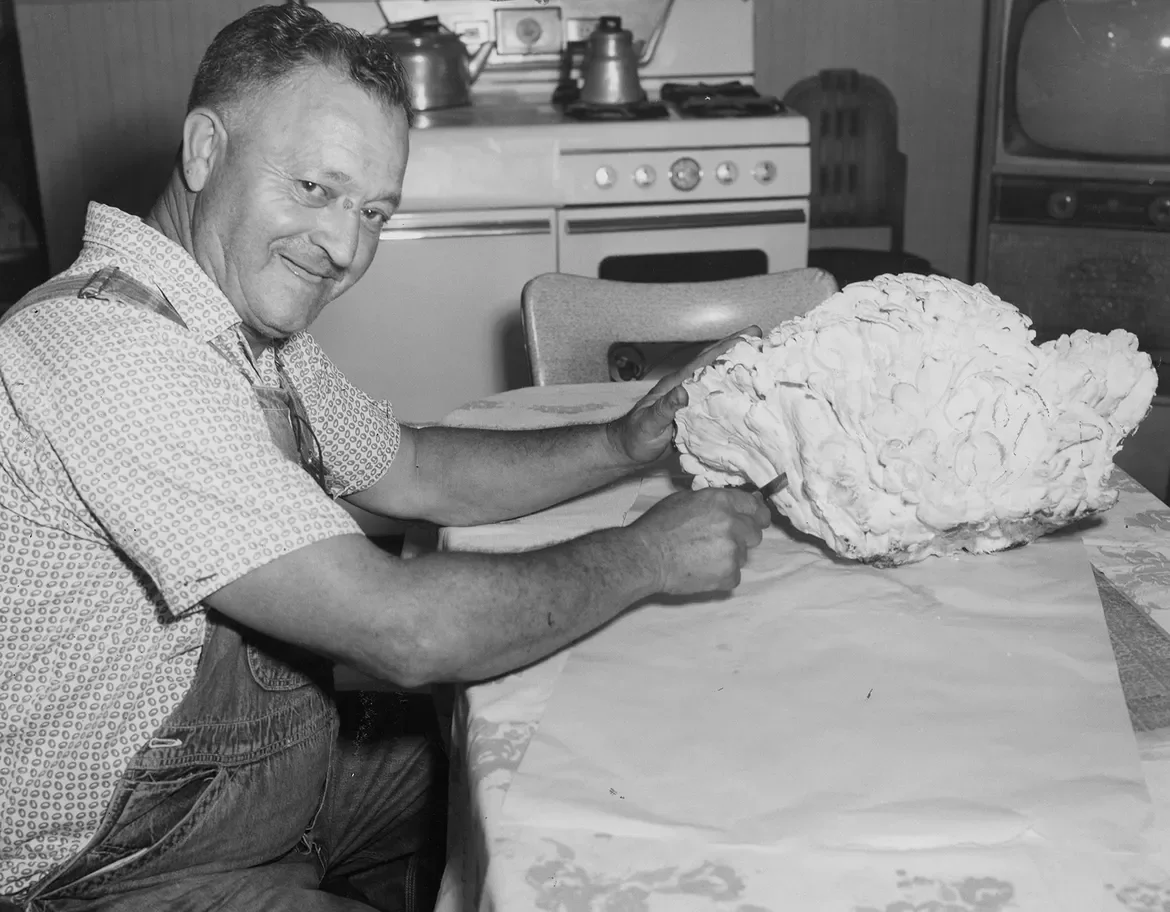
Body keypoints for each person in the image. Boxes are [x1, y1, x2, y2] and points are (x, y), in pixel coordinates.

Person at [0, 5, 771, 910]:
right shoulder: (112, 355)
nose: (343, 247)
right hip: (123, 869)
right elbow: (409, 633)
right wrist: (651, 555)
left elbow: (417, 472)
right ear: (205, 151)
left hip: (270, 780)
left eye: (373, 211)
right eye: (315, 190)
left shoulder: (234, 323)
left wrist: (621, 442)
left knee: (596, 778)